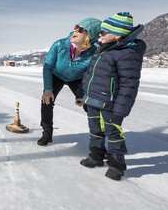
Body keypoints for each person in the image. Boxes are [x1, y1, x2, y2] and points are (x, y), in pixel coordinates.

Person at [80, 12, 146, 181]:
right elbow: (90, 75)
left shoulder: (127, 53)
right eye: (100, 31)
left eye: (104, 32)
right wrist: (85, 96)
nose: (100, 35)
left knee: (114, 133)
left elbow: (129, 85)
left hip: (110, 104)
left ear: (117, 36)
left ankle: (117, 165)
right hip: (94, 100)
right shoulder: (102, 50)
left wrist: (120, 111)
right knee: (95, 130)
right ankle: (96, 155)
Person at [38, 17, 102, 146]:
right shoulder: (59, 44)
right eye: (76, 27)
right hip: (56, 75)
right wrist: (48, 89)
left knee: (89, 104)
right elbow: (48, 67)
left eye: (80, 29)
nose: (75, 30)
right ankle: (47, 133)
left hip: (77, 78)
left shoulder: (95, 52)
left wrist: (81, 95)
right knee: (46, 100)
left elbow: (90, 74)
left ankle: (98, 139)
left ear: (90, 35)